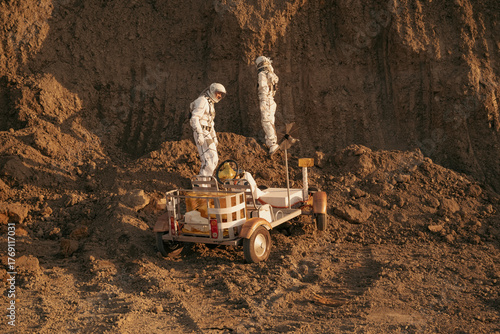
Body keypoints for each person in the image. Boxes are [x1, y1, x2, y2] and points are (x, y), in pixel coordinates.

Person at [190, 83, 226, 176]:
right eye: (218, 93)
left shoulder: (210, 104)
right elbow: (195, 118)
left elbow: (211, 123)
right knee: (209, 158)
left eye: (221, 94)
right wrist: (199, 133)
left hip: (207, 132)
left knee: (214, 160)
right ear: (213, 90)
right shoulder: (202, 101)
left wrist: (214, 137)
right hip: (202, 131)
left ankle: (205, 182)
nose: (219, 96)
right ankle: (201, 183)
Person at [255, 56, 280, 155]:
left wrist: (264, 100)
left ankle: (272, 143)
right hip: (271, 100)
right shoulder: (271, 74)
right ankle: (270, 142)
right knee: (270, 121)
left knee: (266, 120)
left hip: (266, 99)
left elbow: (263, 87)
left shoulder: (262, 74)